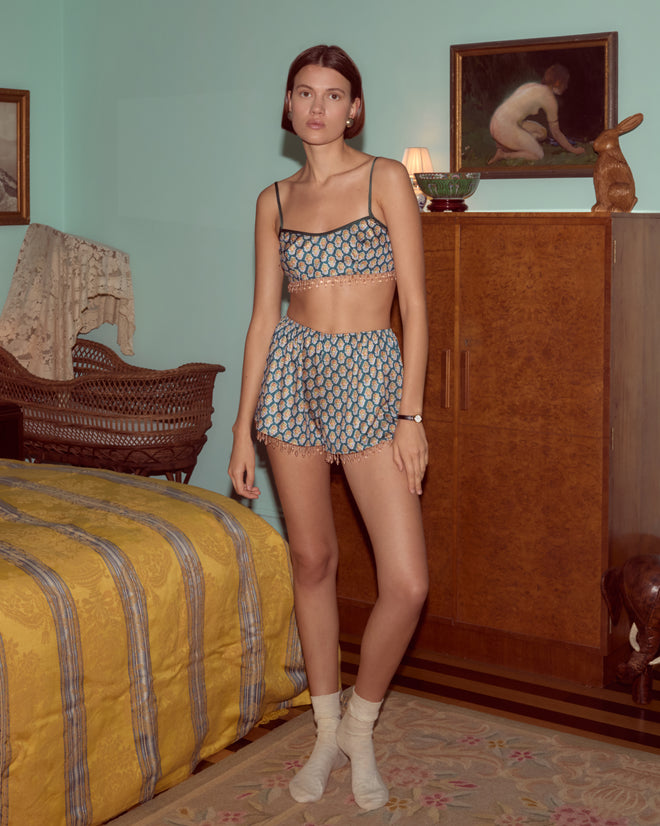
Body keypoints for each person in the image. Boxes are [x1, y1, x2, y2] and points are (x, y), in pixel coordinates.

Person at [228, 44, 429, 811]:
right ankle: (323, 728)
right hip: (293, 380)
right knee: (313, 561)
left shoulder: (385, 179)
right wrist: (243, 428)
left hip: (373, 382)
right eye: (303, 92)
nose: (317, 106)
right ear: (288, 105)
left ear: (355, 108)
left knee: (407, 582)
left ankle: (361, 726)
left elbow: (415, 304)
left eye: (333, 93)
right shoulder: (272, 201)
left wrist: (411, 415)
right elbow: (260, 320)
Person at [488, 64, 586, 164]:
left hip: (495, 123)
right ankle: (504, 155)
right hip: (504, 128)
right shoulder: (549, 98)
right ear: (557, 83)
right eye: (565, 83)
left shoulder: (530, 86)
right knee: (538, 155)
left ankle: (507, 146)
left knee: (541, 133)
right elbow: (556, 133)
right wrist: (573, 150)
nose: (566, 87)